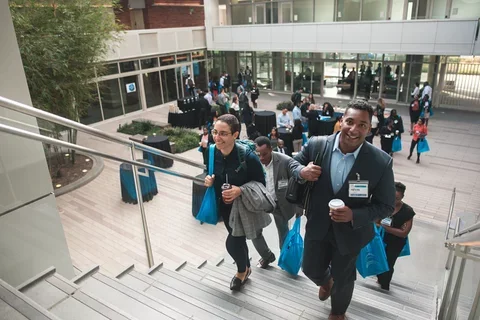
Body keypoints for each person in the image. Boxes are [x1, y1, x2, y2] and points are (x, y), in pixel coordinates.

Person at [290, 99, 395, 320]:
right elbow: (292, 164)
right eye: (350, 121)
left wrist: (354, 215)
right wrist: (302, 171)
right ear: (341, 121)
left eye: (362, 125)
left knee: (345, 278)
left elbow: (386, 206)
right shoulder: (317, 145)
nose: (354, 130)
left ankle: (338, 313)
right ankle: (325, 280)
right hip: (318, 224)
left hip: (351, 233)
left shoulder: (380, 162)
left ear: (370, 128)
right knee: (309, 267)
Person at [204, 114, 266, 290]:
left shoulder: (247, 157)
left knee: (232, 243)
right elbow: (208, 173)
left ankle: (241, 271)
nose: (217, 137)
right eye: (215, 132)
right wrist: (209, 180)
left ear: (235, 134)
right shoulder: (211, 152)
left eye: (223, 133)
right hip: (224, 207)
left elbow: (261, 184)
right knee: (238, 240)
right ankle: (246, 267)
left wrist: (240, 190)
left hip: (243, 208)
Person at [252, 136, 298, 268]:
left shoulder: (284, 161)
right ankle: (267, 256)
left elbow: (297, 181)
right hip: (260, 203)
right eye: (258, 154)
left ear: (271, 149)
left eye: (264, 154)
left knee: (283, 231)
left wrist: (299, 207)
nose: (261, 158)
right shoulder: (252, 161)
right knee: (254, 231)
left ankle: (284, 259)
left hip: (280, 204)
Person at [377, 182, 415, 291]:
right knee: (380, 259)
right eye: (392, 197)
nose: (394, 200)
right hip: (380, 239)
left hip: (396, 242)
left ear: (402, 197)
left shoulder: (408, 211)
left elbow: (404, 233)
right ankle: (379, 279)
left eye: (397, 198)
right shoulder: (383, 204)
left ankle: (385, 287)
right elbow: (375, 220)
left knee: (389, 263)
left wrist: (385, 228)